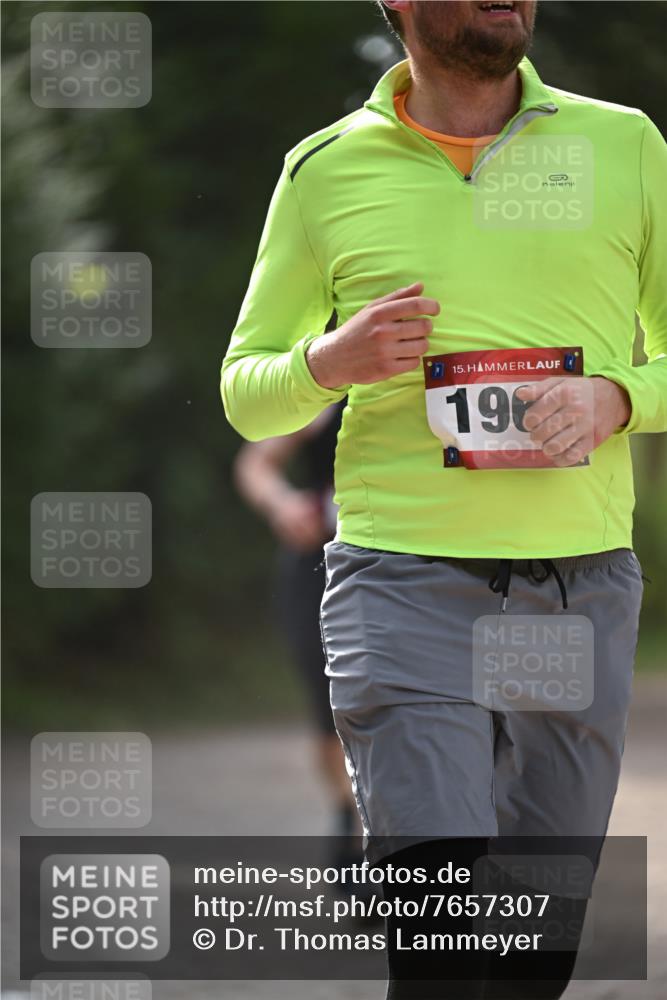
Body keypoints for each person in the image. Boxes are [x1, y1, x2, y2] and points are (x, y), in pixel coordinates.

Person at [221, 2, 666, 996]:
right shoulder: (324, 169)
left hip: (575, 590)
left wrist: (619, 395)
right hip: (402, 581)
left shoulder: (624, 144)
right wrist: (326, 359)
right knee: (446, 940)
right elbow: (245, 392)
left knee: (530, 961)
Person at [232, 402, 358, 845]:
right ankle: (348, 817)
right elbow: (255, 464)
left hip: (418, 564)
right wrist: (282, 503)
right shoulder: (333, 386)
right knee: (332, 709)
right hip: (320, 568)